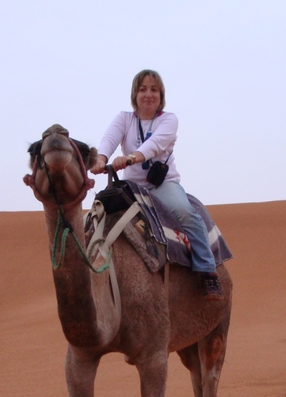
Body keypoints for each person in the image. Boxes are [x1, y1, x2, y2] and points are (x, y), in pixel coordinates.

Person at [89, 69, 223, 299]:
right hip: (131, 187)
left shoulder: (168, 120)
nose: (148, 94)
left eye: (153, 89)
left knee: (185, 212)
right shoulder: (125, 119)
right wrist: (101, 159)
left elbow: (157, 144)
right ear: (135, 94)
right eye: (143, 89)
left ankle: (207, 271)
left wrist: (131, 158)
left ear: (161, 95)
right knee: (96, 218)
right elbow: (109, 139)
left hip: (162, 186)